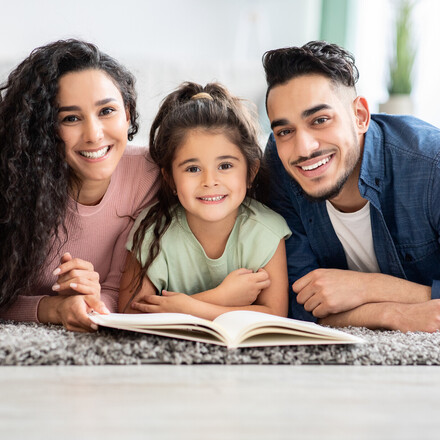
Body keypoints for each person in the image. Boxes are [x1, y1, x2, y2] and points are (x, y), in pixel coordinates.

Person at [262, 40, 440, 332]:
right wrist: (392, 314)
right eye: (285, 131)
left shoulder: (432, 165)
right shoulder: (280, 163)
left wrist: (367, 287)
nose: (303, 148)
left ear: (360, 116)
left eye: (320, 120)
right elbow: (298, 308)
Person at [0, 39, 158, 332]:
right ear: (44, 128)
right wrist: (53, 308)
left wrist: (91, 301)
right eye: (71, 118)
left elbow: (121, 294)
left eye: (106, 111)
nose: (94, 135)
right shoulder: (13, 183)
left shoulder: (149, 175)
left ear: (127, 113)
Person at [118, 82, 290, 319]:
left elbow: (275, 314)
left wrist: (189, 307)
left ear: (250, 172)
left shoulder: (266, 231)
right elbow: (130, 311)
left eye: (225, 166)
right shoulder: (154, 227)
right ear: (169, 178)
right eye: (193, 168)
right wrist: (219, 297)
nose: (210, 181)